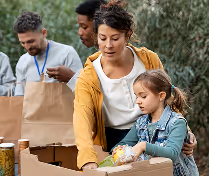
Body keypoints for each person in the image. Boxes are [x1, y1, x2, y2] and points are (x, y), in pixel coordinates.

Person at [73, 0, 196, 170]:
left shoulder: (148, 59)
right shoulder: (88, 76)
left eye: (115, 38)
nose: (108, 46)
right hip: (116, 141)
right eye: (102, 38)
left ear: (127, 35)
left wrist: (185, 131)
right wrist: (87, 158)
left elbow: (165, 96)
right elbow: (82, 119)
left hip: (154, 132)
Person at [112, 69, 199, 176]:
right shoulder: (140, 123)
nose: (138, 101)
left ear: (161, 96)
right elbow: (124, 144)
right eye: (136, 96)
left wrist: (143, 146)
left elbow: (172, 154)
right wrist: (118, 150)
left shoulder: (177, 123)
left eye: (143, 96)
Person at [13, 11, 82, 96]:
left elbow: (83, 91)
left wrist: (70, 78)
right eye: (23, 43)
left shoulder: (67, 53)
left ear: (44, 33)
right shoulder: (22, 61)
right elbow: (19, 97)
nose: (27, 47)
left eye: (31, 41)